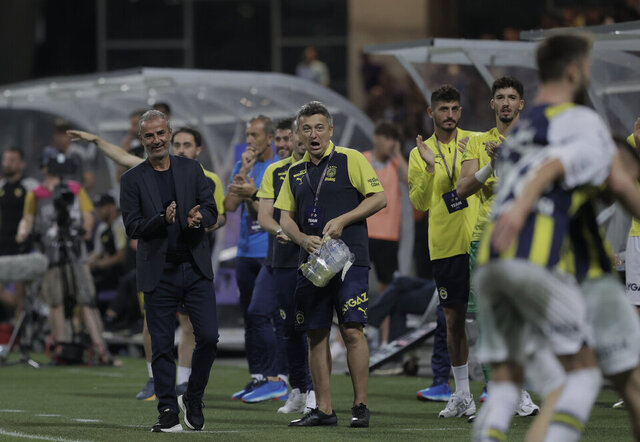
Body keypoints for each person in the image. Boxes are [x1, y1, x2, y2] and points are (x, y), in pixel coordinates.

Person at [470, 33, 617, 442]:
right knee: (584, 375)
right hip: (531, 261)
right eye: (587, 67)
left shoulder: (524, 128)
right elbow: (554, 166)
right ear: (574, 70)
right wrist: (521, 209)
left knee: (507, 384)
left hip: (490, 261)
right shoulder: (578, 121)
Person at [69, 126, 225, 400]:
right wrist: (96, 140)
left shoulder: (204, 175)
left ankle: (185, 383)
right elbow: (123, 158)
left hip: (192, 261)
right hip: (158, 264)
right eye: (179, 143)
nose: (181, 149)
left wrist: (202, 221)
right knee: (151, 326)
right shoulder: (144, 171)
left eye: (188, 145)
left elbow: (218, 214)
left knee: (197, 330)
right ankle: (157, 384)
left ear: (198, 150)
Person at [276, 101, 386, 427]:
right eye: (307, 129)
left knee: (352, 330)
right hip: (312, 265)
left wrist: (344, 219)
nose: (314, 134)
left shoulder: (351, 158)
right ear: (298, 134)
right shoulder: (294, 171)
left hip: (350, 259)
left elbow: (379, 198)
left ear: (331, 130)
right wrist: (300, 239)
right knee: (316, 333)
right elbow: (284, 218)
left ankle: (361, 406)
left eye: (319, 128)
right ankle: (323, 409)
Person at [120, 110, 219, 432]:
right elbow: (133, 227)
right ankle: (166, 410)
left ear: (170, 132)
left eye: (161, 133)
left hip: (194, 266)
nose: (156, 140)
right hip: (158, 272)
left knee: (209, 337)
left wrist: (198, 218)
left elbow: (211, 208)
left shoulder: (192, 168)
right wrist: (162, 219)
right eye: (149, 136)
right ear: (142, 140)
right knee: (161, 345)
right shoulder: (132, 179)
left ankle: (192, 396)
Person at [456, 76, 539, 417]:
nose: (506, 102)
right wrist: (492, 163)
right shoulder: (477, 143)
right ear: (491, 104)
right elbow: (460, 190)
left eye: (512, 97)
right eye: (500, 97)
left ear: (522, 104)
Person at [407, 85, 480, 418]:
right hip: (445, 246)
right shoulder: (418, 152)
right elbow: (420, 203)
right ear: (431, 113)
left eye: (454, 108)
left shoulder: (475, 142)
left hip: (479, 242)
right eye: (443, 109)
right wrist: (431, 167)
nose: (449, 115)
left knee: (493, 318)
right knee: (453, 322)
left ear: (460, 112)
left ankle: (510, 391)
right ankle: (462, 393)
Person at [16, 151, 112, 364]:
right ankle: (63, 349)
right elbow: (28, 218)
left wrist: (85, 229)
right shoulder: (36, 194)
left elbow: (87, 216)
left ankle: (101, 349)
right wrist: (23, 231)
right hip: (49, 254)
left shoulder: (75, 189)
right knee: (56, 302)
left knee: (86, 300)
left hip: (75, 253)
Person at [255, 118, 315, 411]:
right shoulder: (275, 171)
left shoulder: (325, 167)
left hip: (317, 259)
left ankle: (316, 392)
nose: (298, 141)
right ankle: (300, 388)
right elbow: (264, 214)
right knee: (289, 326)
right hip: (283, 260)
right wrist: (281, 231)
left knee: (314, 326)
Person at [223, 116, 283, 400]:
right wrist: (243, 174)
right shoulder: (244, 165)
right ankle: (258, 376)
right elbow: (229, 206)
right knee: (250, 315)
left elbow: (271, 213)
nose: (249, 140)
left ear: (269, 138)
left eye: (254, 135)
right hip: (245, 252)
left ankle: (278, 377)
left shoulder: (278, 168)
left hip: (267, 252)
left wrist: (252, 193)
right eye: (247, 135)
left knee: (268, 315)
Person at [363, 121, 408, 301]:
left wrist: (398, 154)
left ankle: (384, 329)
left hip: (389, 235)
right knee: (355, 283)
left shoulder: (396, 165)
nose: (391, 143)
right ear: (376, 138)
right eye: (387, 138)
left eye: (394, 139)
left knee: (387, 288)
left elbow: (411, 181)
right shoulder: (362, 159)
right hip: (364, 231)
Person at [0, 147, 38, 319]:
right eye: (6, 159)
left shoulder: (30, 186)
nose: (8, 164)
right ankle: (31, 310)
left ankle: (19, 329)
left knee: (21, 288)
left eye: (13, 160)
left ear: (22, 164)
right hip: (2, 243)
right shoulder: (0, 186)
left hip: (22, 245)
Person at [87, 193, 127, 302]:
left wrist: (97, 265)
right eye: (97, 207)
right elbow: (96, 253)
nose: (98, 211)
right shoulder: (102, 228)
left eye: (102, 207)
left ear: (112, 207)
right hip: (112, 273)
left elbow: (121, 257)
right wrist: (85, 264)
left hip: (127, 272)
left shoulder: (120, 224)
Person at [43, 119, 95, 191]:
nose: (61, 137)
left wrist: (78, 194)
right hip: (57, 197)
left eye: (64, 134)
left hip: (76, 196)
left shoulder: (79, 154)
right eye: (58, 133)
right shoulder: (50, 153)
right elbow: (48, 178)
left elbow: (89, 180)